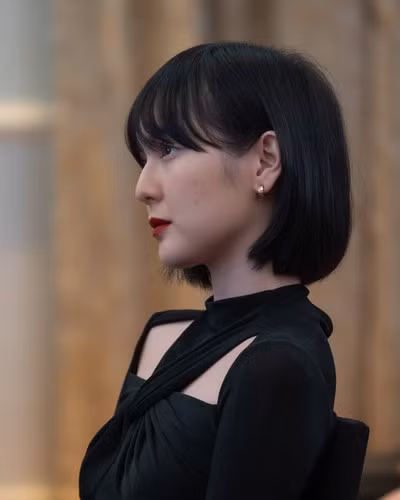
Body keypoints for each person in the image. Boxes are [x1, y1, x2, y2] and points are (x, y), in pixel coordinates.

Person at [79, 41, 352, 499]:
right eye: (143, 158)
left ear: (265, 160)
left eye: (169, 149)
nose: (143, 188)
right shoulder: (163, 335)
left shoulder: (276, 367)